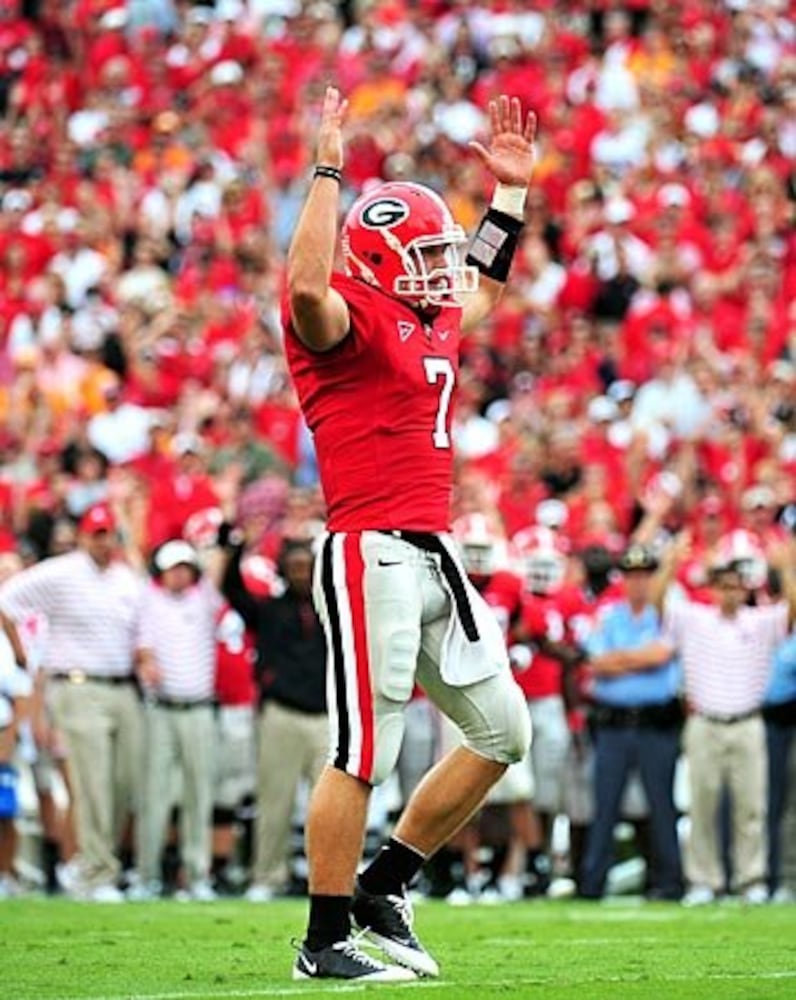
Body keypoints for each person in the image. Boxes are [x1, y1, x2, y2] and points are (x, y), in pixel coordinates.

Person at [282, 87, 536, 982]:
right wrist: (327, 169)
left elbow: (486, 285)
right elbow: (305, 287)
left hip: (432, 547)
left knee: (504, 731)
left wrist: (510, 195)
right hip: (369, 549)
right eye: (425, 254)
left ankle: (384, 884)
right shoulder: (341, 317)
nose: (441, 269)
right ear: (380, 258)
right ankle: (323, 941)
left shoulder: (429, 315)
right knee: (363, 751)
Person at [0, 503, 143, 901]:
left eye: (109, 533)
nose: (103, 541)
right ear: (83, 536)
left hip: (124, 687)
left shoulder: (126, 577)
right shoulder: (61, 572)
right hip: (78, 685)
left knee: (123, 784)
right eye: (96, 534)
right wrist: (21, 654)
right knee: (92, 783)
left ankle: (91, 863)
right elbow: (6, 600)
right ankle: (97, 871)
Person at [655, 535, 796, 905]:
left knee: (751, 807)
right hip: (704, 722)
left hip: (748, 722)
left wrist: (785, 569)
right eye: (723, 587)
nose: (729, 594)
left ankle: (751, 879)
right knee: (702, 805)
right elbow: (658, 604)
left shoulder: (760, 622)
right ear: (712, 590)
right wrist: (670, 564)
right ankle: (704, 880)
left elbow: (792, 613)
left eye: (735, 587)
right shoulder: (695, 619)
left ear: (745, 590)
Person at [219, 535, 328, 902]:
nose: (301, 574)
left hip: (326, 717)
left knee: (330, 806)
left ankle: (328, 880)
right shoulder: (268, 610)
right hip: (281, 714)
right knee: (274, 802)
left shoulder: (333, 610)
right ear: (283, 570)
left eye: (307, 567)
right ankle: (267, 875)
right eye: (294, 567)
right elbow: (232, 591)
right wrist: (235, 549)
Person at [579, 542, 683, 901]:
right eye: (632, 575)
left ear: (653, 579)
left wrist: (620, 659)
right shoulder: (609, 615)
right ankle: (592, 883)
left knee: (662, 804)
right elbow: (596, 662)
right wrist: (640, 659)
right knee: (605, 805)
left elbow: (661, 655)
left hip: (656, 723)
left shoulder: (667, 614)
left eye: (645, 576)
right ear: (622, 580)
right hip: (613, 724)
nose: (638, 582)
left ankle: (670, 882)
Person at [132, 539, 223, 901]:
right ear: (163, 572)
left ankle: (197, 876)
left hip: (198, 708)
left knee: (199, 794)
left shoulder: (204, 598)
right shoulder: (149, 599)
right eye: (174, 568)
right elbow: (143, 647)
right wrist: (147, 662)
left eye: (186, 567)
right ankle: (146, 876)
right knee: (153, 795)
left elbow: (218, 566)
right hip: (161, 708)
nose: (180, 574)